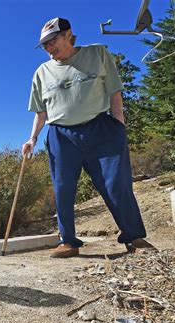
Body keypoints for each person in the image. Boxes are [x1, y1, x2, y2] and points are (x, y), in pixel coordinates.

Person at [22, 17, 156, 258]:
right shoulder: (41, 73)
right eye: (45, 45)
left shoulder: (98, 54)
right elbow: (41, 112)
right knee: (63, 189)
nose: (49, 48)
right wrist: (32, 139)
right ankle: (68, 242)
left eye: (52, 41)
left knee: (116, 183)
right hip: (61, 136)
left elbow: (114, 92)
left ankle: (134, 237)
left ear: (68, 35)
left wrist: (119, 123)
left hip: (101, 129)